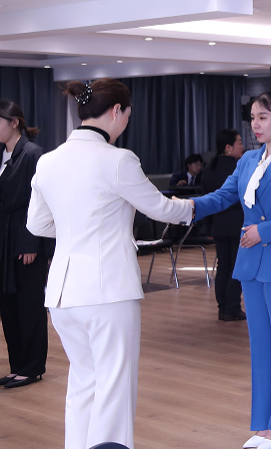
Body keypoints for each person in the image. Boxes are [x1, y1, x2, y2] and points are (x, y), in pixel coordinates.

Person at [27, 80, 194, 449]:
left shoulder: (48, 161)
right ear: (117, 111)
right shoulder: (118, 159)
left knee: (83, 381)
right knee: (114, 386)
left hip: (62, 294)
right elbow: (160, 207)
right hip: (108, 291)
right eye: (128, 115)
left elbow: (36, 225)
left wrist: (75, 227)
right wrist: (192, 208)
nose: (126, 123)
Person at [191, 88, 271, 449]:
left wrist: (264, 231)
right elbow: (223, 197)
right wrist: (187, 208)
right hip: (251, 264)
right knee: (260, 346)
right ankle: (265, 423)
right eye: (253, 118)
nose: (255, 125)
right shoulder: (246, 161)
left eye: (263, 118)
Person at [0, 100, 49, 389]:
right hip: (5, 239)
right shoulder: (2, 155)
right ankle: (17, 365)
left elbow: (40, 201)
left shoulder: (33, 154)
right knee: (7, 304)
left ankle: (32, 367)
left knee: (29, 303)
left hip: (25, 236)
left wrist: (31, 242)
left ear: (14, 122)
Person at [202, 129, 246, 322]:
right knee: (237, 266)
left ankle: (223, 307)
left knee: (224, 266)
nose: (242, 147)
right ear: (228, 147)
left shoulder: (207, 170)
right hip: (238, 224)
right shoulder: (240, 168)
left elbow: (206, 200)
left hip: (218, 225)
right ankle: (232, 307)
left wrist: (208, 228)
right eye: (239, 142)